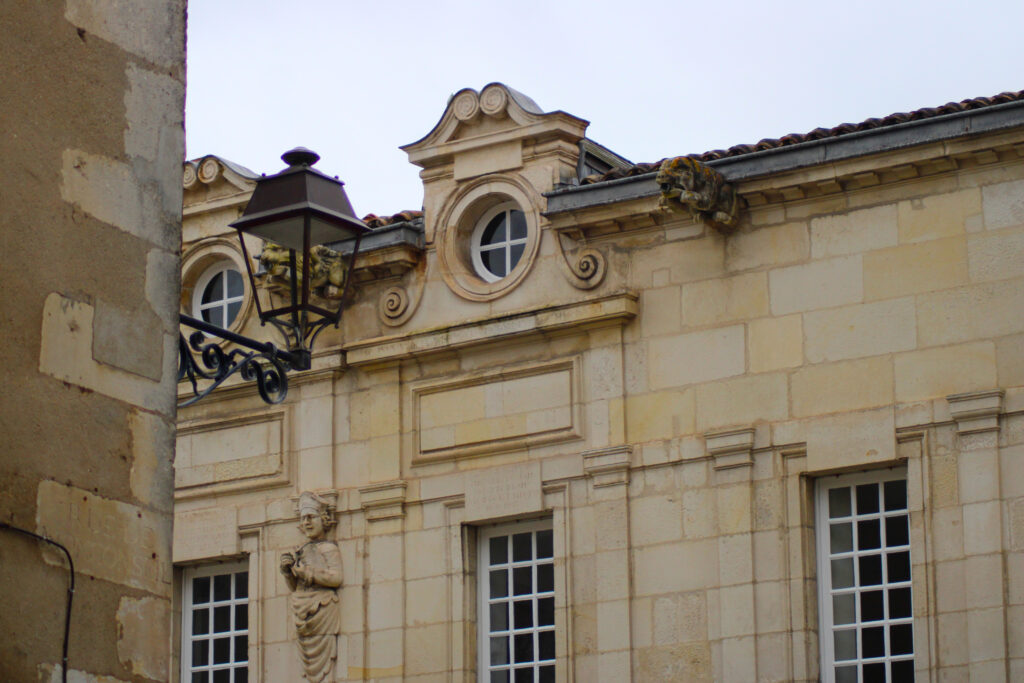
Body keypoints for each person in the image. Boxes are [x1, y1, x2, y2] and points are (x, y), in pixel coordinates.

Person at [280, 491, 342, 682]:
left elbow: (336, 578)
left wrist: (308, 572)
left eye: (311, 517)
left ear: (323, 519)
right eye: (303, 518)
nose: (306, 522)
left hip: (321, 607)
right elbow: (294, 586)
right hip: (302, 606)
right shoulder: (302, 550)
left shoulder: (329, 548)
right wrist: (287, 571)